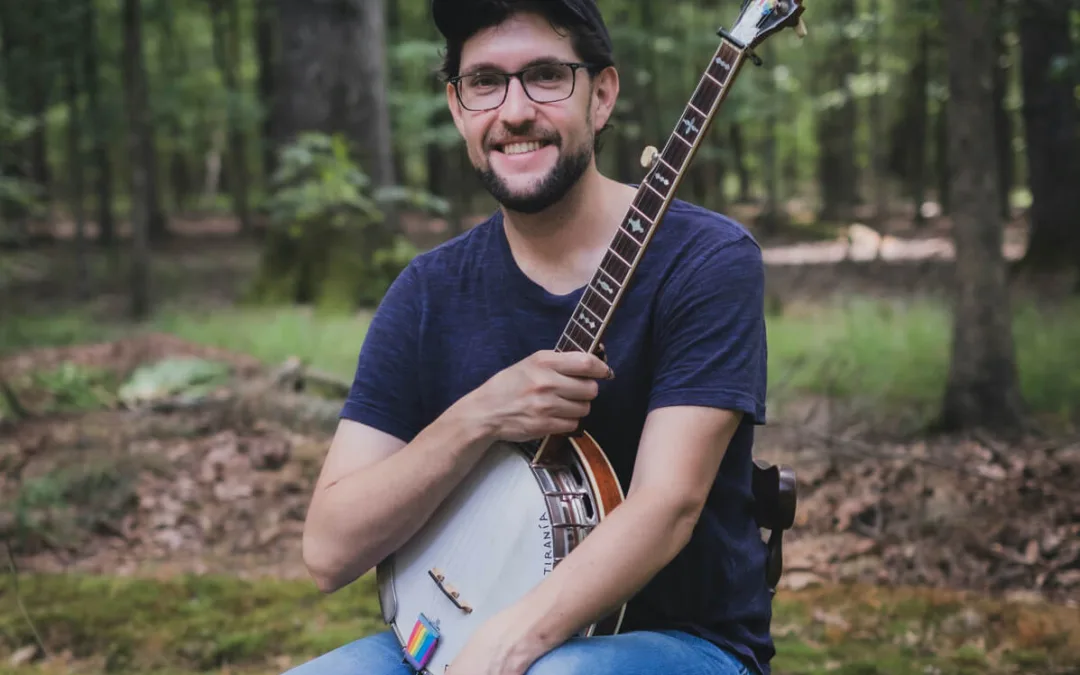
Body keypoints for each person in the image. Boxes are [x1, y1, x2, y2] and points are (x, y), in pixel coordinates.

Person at [286, 0, 773, 673]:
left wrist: (513, 639)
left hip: (683, 641)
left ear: (600, 97)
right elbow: (330, 549)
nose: (514, 111)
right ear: (458, 108)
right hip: (456, 634)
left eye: (545, 76)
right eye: (484, 82)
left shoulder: (706, 259)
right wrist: (479, 415)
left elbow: (670, 503)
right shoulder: (428, 292)